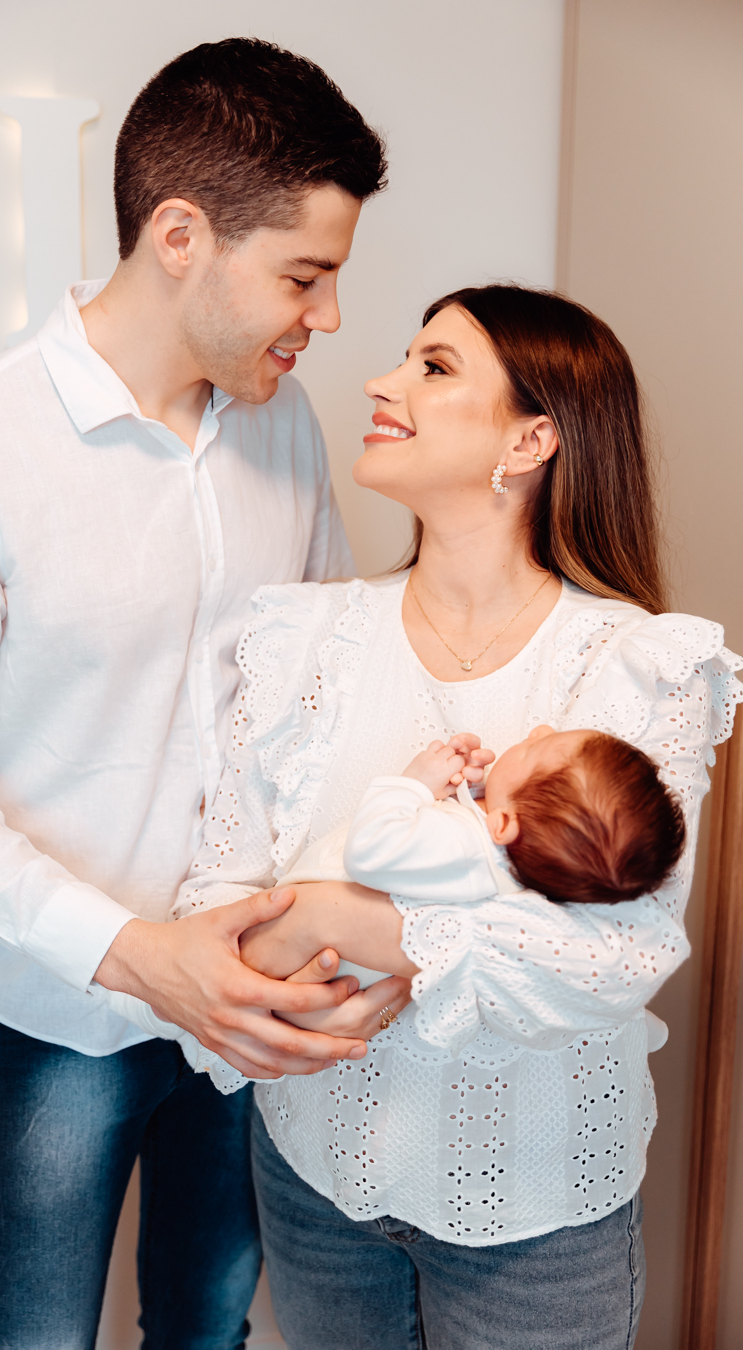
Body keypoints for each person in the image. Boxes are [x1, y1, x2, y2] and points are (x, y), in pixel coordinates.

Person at [0, 38, 387, 1350]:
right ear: (181, 235)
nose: (326, 319)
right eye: (304, 275)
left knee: (207, 1328)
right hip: (54, 1024)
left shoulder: (285, 424)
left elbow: (330, 686)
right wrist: (140, 955)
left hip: (252, 1012)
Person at [171, 284, 743, 1348]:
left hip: (540, 1220)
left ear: (532, 439)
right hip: (313, 1182)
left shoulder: (641, 667)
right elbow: (218, 899)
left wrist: (327, 919)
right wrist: (284, 961)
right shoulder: (299, 639)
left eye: (434, 367)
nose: (382, 383)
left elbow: (610, 962)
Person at [233, 724, 687, 993]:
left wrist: (417, 783)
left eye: (533, 750)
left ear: (503, 825)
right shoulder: (492, 859)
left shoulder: (464, 848)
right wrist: (471, 792)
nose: (539, 730)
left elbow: (370, 850)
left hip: (285, 949)